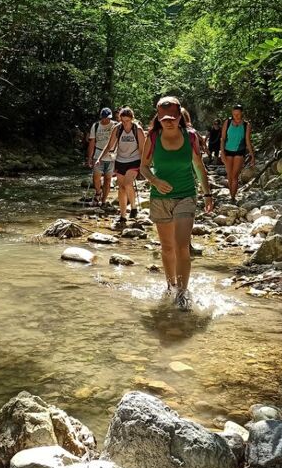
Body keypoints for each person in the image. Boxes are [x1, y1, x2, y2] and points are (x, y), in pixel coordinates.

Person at [141, 96, 214, 311]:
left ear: (180, 116)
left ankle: (182, 293)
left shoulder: (190, 137)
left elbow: (199, 167)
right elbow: (144, 167)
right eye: (164, 119)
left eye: (173, 118)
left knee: (182, 246)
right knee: (167, 247)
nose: (169, 122)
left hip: (186, 196)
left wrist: (207, 194)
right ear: (158, 118)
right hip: (160, 198)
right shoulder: (153, 137)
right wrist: (154, 180)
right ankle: (170, 286)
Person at [96, 106, 145, 223]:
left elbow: (143, 149)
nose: (125, 123)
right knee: (121, 188)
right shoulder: (117, 129)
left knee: (128, 184)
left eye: (127, 121)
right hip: (120, 160)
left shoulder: (137, 130)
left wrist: (144, 166)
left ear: (132, 119)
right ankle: (123, 216)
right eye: (122, 121)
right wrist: (99, 158)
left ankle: (133, 207)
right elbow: (109, 146)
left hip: (134, 160)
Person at [219, 104, 255, 202]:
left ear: (242, 113)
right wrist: (222, 152)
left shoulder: (246, 125)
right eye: (234, 114)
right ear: (232, 113)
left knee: (235, 176)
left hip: (240, 152)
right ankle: (231, 195)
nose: (236, 116)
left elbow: (248, 140)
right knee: (229, 175)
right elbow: (223, 139)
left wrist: (252, 155)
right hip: (227, 151)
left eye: (238, 114)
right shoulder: (228, 122)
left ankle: (233, 198)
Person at [87, 107, 118, 206]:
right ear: (101, 117)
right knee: (96, 177)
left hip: (112, 156)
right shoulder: (96, 126)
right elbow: (92, 142)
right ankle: (98, 192)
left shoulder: (116, 126)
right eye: (104, 118)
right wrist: (89, 158)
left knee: (108, 180)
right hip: (98, 154)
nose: (106, 120)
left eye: (108, 118)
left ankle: (104, 201)